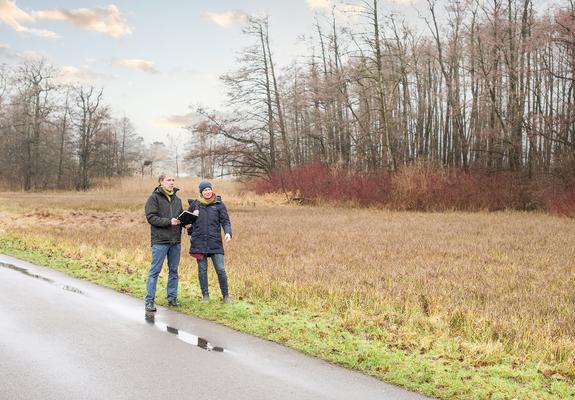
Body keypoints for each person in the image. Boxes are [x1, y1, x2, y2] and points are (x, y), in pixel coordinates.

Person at [187, 180, 232, 304]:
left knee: (221, 269)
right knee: (202, 270)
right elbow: (186, 219)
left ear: (211, 190)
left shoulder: (219, 204)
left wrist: (227, 232)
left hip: (215, 242)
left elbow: (225, 221)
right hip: (199, 243)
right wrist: (188, 226)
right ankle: (205, 296)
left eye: (209, 189)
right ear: (201, 192)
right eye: (205, 190)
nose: (207, 192)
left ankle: (226, 296)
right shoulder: (195, 205)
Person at [144, 174, 183, 312]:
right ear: (161, 182)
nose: (172, 182)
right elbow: (151, 218)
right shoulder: (153, 198)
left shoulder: (178, 200)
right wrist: (168, 221)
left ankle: (172, 299)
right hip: (160, 241)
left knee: (174, 271)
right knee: (154, 272)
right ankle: (149, 302)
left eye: (173, 180)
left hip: (175, 241)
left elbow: (180, 217)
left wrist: (187, 223)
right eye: (169, 180)